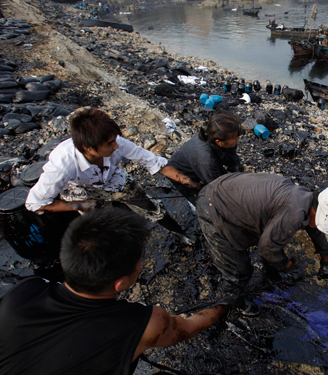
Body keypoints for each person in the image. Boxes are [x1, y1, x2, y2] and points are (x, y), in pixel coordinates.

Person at [0, 207, 236, 374]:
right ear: (120, 284)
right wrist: (223, 305)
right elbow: (187, 328)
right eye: (140, 262)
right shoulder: (145, 324)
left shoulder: (24, 292)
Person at [25, 107, 199, 244]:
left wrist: (188, 181)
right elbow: (36, 203)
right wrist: (81, 205)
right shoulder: (62, 165)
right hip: (80, 191)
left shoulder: (116, 143)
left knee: (151, 207)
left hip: (113, 179)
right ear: (87, 148)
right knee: (103, 226)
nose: (116, 147)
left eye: (115, 140)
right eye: (109, 144)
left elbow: (152, 162)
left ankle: (180, 234)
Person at [196, 173, 328, 308]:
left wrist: (325, 258)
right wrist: (288, 267)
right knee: (239, 271)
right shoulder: (294, 213)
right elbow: (267, 247)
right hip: (213, 206)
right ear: (316, 211)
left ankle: (265, 269)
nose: (317, 225)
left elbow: (314, 229)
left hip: (227, 189)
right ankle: (229, 304)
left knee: (268, 238)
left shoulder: (305, 197)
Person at [168, 111, 243, 204]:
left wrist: (238, 173)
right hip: (181, 174)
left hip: (203, 165)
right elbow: (216, 184)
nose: (238, 138)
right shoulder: (206, 159)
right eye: (235, 137)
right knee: (206, 202)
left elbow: (232, 158)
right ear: (219, 142)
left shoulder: (224, 138)